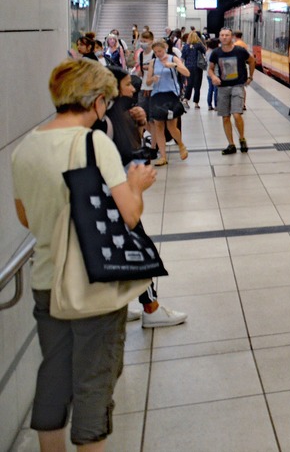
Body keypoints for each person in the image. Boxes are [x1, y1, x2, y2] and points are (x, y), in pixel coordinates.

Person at [11, 58, 158, 451]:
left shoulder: (26, 147)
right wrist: (137, 183)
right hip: (92, 283)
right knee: (94, 385)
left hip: (47, 283)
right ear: (95, 101)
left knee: (54, 378)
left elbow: (26, 216)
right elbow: (128, 215)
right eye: (105, 103)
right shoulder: (93, 143)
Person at [97, 67, 187, 329]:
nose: (133, 89)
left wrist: (137, 123)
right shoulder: (104, 123)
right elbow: (124, 155)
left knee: (131, 251)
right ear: (113, 89)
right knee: (139, 250)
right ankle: (151, 308)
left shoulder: (115, 116)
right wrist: (133, 188)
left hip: (118, 195)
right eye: (127, 85)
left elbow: (131, 148)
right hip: (117, 198)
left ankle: (128, 305)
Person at [208, 28, 254, 154]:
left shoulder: (240, 51)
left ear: (231, 37)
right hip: (222, 88)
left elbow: (252, 61)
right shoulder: (216, 53)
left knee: (236, 114)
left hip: (237, 86)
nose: (224, 37)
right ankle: (231, 144)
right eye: (222, 35)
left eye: (227, 35)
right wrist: (213, 77)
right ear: (219, 37)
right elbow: (210, 69)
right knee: (225, 117)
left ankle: (242, 138)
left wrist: (250, 77)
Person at [144, 39, 189, 166]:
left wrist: (175, 66)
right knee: (158, 126)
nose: (158, 54)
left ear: (165, 48)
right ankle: (163, 156)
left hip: (171, 95)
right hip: (157, 95)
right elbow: (148, 82)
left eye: (160, 51)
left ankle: (181, 145)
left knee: (171, 126)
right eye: (155, 52)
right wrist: (152, 79)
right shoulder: (153, 62)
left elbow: (187, 73)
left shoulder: (173, 59)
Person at [181, 31, 207, 108]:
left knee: (189, 84)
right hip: (198, 67)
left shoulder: (185, 46)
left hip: (188, 67)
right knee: (197, 85)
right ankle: (196, 103)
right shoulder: (199, 45)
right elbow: (205, 51)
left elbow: (182, 58)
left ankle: (185, 99)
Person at [205, 37, 220, 110]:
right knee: (216, 90)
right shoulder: (216, 52)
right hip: (215, 73)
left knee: (210, 89)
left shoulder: (207, 51)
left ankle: (209, 105)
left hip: (208, 73)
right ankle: (216, 105)